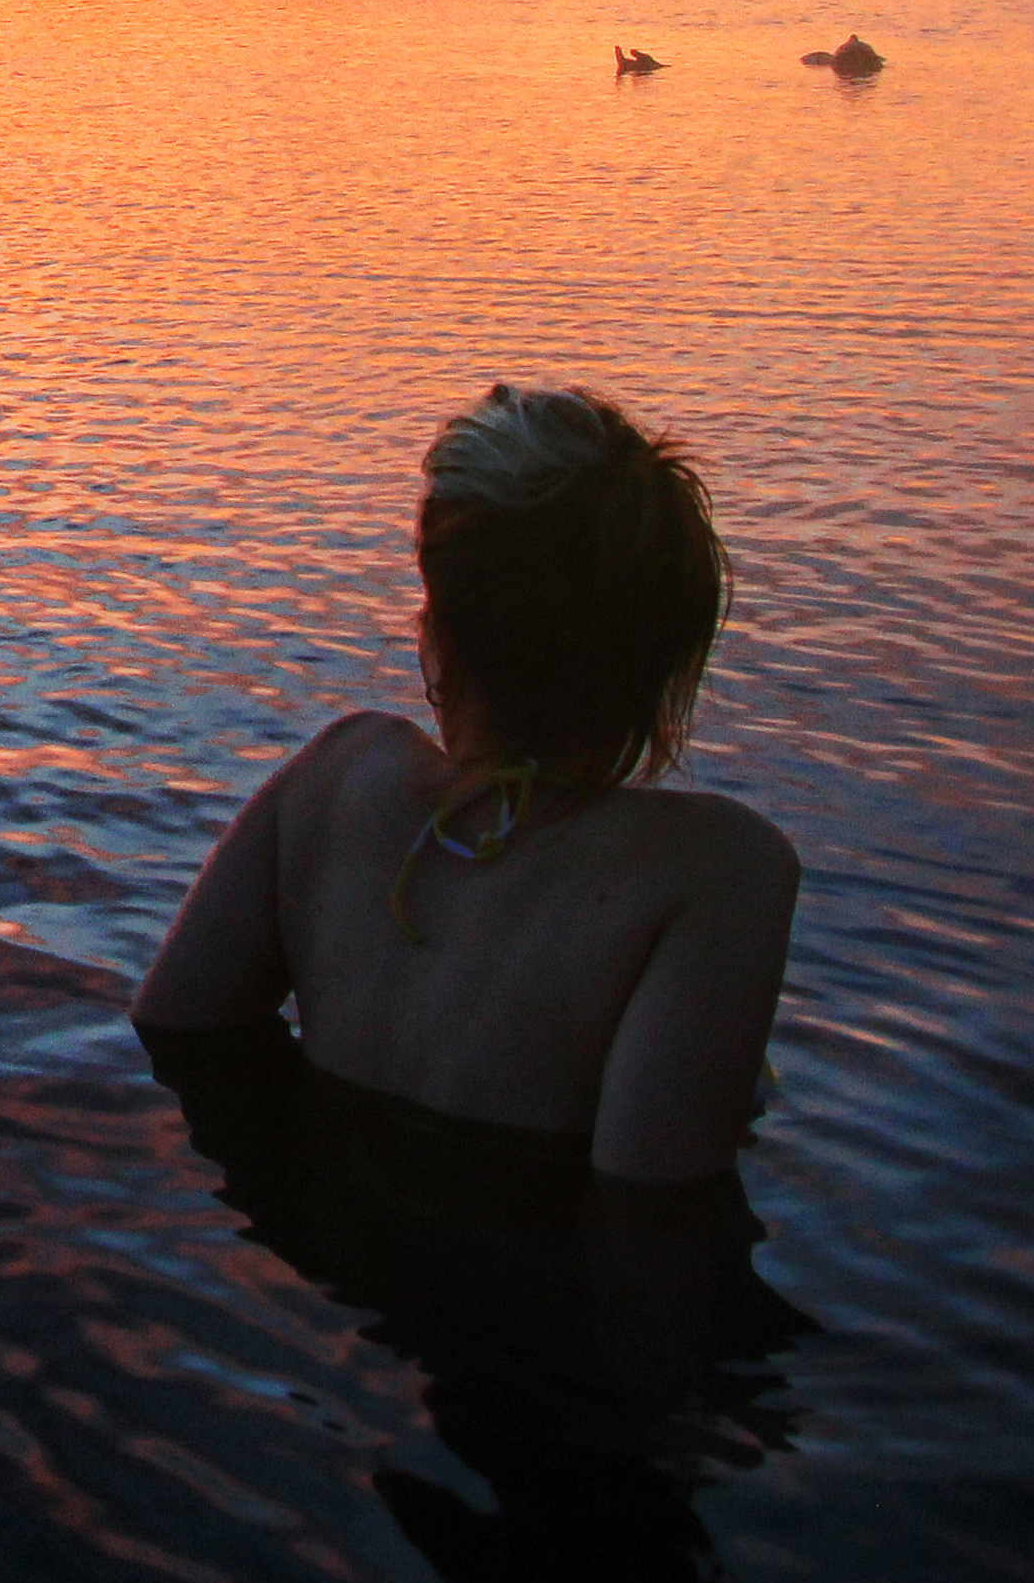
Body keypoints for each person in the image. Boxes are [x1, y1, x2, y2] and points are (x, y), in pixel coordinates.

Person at [133, 383, 797, 1182]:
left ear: (438, 623)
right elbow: (656, 1213)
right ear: (663, 657)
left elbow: (175, 1034)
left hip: (316, 1267)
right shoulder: (719, 875)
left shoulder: (337, 776)